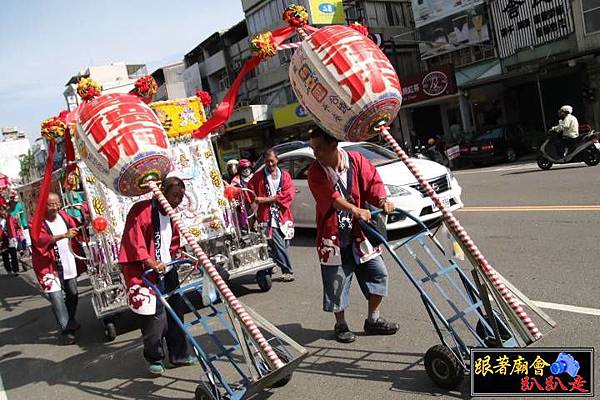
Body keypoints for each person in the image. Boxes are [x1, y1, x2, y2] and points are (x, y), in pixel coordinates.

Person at [307, 127, 399, 343]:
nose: (315, 154)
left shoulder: (356, 160)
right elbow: (331, 198)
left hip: (360, 234)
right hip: (333, 236)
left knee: (379, 273)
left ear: (333, 145)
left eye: (319, 148)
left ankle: (373, 320)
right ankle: (341, 324)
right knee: (337, 282)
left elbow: (373, 183)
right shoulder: (315, 172)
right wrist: (354, 209)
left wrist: (383, 201)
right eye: (313, 149)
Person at [118, 176, 198, 375]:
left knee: (175, 313)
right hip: (145, 273)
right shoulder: (141, 210)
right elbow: (135, 242)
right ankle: (153, 356)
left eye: (180, 196)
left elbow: (172, 241)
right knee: (155, 319)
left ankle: (178, 355)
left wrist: (179, 253)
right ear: (161, 191)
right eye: (174, 195)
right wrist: (150, 262)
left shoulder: (172, 213)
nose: (177, 200)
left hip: (168, 270)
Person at [31, 193, 85, 345]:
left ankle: (71, 319)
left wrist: (84, 220)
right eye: (50, 204)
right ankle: (67, 329)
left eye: (57, 203)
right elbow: (39, 240)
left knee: (73, 293)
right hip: (47, 265)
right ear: (43, 205)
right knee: (56, 298)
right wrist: (63, 235)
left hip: (67, 259)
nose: (55, 207)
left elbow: (77, 226)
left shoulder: (63, 215)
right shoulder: (35, 222)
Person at [247, 149, 296, 282]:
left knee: (285, 244)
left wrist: (266, 199)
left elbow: (289, 194)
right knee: (277, 243)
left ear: (277, 159)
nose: (270, 164)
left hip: (283, 215)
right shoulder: (258, 177)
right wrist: (253, 202)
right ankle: (287, 270)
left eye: (272, 161)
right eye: (267, 161)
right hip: (267, 216)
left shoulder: (285, 175)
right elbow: (249, 192)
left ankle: (271, 261)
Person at [0, 205, 21, 275]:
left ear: (5, 211)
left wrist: (17, 236)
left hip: (11, 238)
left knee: (13, 254)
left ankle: (16, 270)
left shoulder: (11, 218)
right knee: (5, 255)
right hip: (2, 240)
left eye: (3, 210)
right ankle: (9, 270)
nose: (2, 212)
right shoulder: (1, 220)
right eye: (0, 211)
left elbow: (17, 226)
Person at [8, 192, 29, 258]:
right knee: (18, 238)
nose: (12, 200)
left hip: (21, 226)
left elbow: (22, 216)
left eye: (13, 198)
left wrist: (24, 224)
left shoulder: (19, 205)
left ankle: (25, 250)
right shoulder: (9, 210)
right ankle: (21, 251)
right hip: (15, 227)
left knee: (23, 238)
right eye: (11, 198)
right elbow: (9, 221)